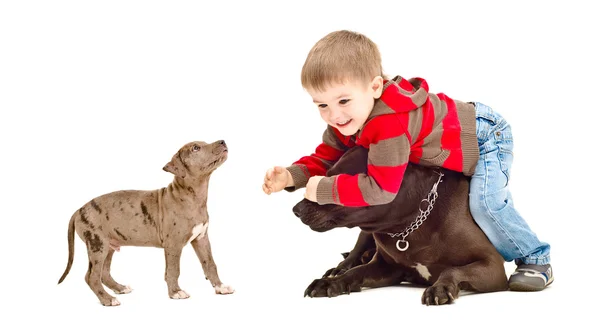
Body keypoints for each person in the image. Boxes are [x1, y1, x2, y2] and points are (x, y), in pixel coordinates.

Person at [262, 30, 552, 291]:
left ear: (375, 88)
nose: (333, 115)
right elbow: (327, 156)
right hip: (443, 147)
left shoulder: (390, 125)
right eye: (322, 105)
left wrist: (322, 189)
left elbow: (380, 189)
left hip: (483, 136)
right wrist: (292, 176)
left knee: (485, 204)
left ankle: (537, 258)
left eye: (343, 101)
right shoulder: (349, 120)